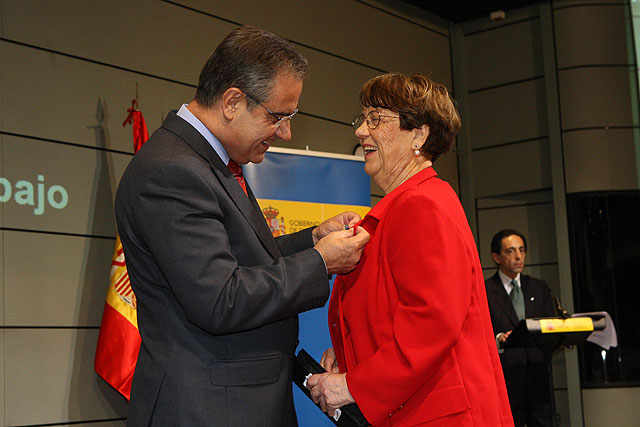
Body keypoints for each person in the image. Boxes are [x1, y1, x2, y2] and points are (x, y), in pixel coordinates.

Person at [115, 26, 369, 427]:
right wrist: (320, 262)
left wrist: (312, 241)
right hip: (209, 408)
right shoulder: (173, 172)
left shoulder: (208, 162)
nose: (285, 132)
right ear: (233, 101)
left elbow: (241, 260)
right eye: (277, 116)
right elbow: (221, 298)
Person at [307, 73, 513, 426]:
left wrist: (354, 385)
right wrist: (352, 361)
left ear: (419, 133)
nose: (360, 131)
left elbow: (430, 325)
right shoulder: (408, 205)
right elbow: (394, 322)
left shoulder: (421, 205)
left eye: (376, 119)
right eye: (362, 119)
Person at [485, 229, 560, 427]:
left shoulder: (539, 287)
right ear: (496, 257)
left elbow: (550, 325)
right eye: (510, 251)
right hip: (506, 379)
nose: (518, 256)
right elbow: (480, 334)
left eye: (521, 250)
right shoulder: (485, 291)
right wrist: (499, 338)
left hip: (538, 376)